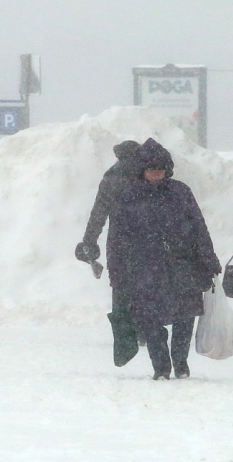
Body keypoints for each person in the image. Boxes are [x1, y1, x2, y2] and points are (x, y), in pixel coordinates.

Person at [107, 138, 222, 380]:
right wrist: (117, 272)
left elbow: (199, 227)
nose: (156, 172)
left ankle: (180, 362)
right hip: (145, 269)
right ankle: (161, 366)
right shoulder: (128, 197)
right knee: (151, 320)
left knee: (185, 315)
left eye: (160, 168)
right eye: (151, 168)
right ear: (142, 170)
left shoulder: (181, 192)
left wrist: (208, 258)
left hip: (182, 265)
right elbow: (117, 238)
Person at [75, 140, 144, 363]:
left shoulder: (111, 178)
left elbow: (98, 214)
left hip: (119, 242)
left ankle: (124, 335)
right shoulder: (146, 174)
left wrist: (89, 241)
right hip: (147, 240)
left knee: (121, 288)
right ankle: (145, 327)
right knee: (146, 284)